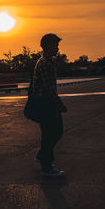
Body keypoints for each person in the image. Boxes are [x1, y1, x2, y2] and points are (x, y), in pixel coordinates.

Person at [33, 33, 67, 178]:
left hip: (45, 103)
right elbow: (49, 89)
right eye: (56, 45)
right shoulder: (45, 63)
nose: (58, 48)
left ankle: (43, 157)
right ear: (48, 46)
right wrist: (59, 105)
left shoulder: (46, 61)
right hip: (46, 104)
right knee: (53, 132)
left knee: (51, 133)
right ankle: (47, 168)